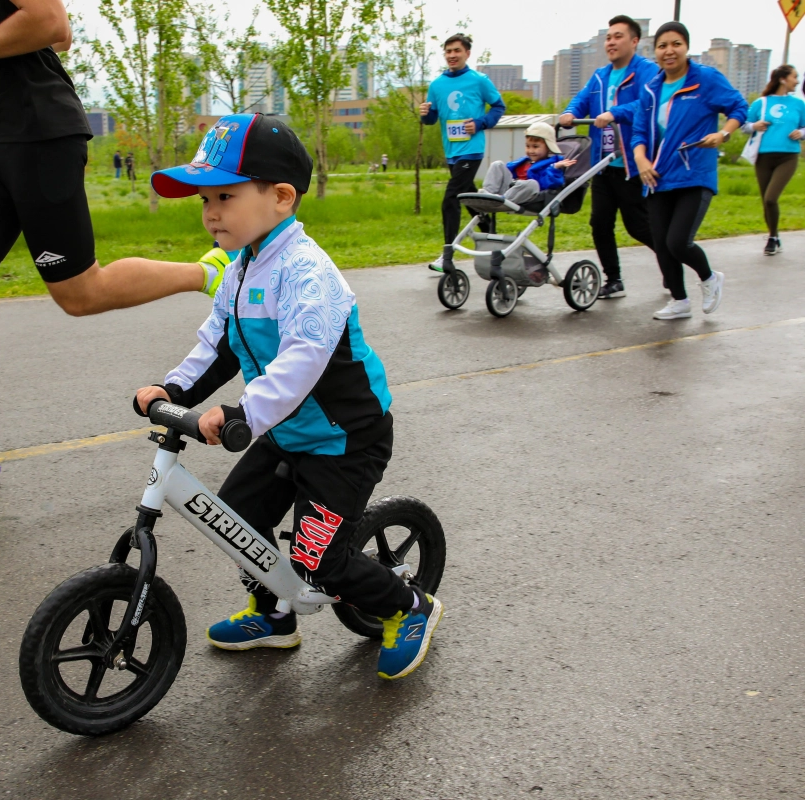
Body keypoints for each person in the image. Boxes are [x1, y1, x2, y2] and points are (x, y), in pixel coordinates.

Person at [135, 113, 442, 681]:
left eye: (224, 196)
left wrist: (240, 415)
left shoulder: (307, 272)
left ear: (280, 197)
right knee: (236, 521)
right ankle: (275, 614)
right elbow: (220, 342)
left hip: (343, 440)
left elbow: (302, 359)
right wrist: (174, 387)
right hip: (286, 431)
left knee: (318, 559)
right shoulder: (242, 266)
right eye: (204, 200)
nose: (210, 213)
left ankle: (410, 606)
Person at [0, 0, 234, 490]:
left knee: (79, 293)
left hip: (40, 131)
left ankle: (207, 272)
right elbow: (56, 40)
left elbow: (52, 23)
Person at [631, 21, 746, 320]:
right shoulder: (651, 88)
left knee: (678, 241)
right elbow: (639, 132)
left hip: (694, 174)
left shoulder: (705, 79)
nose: (669, 51)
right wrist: (641, 160)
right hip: (658, 176)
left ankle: (709, 279)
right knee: (661, 243)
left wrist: (724, 133)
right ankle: (680, 301)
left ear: (686, 47)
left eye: (676, 44)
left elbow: (738, 106)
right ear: (654, 51)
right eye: (662, 45)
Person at [559, 14, 660, 300]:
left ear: (635, 41)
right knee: (600, 223)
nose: (611, 42)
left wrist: (616, 113)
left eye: (618, 36)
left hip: (631, 163)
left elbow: (647, 103)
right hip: (603, 165)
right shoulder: (600, 76)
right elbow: (582, 99)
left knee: (638, 226)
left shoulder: (647, 72)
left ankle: (670, 262)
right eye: (608, 37)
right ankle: (613, 280)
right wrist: (570, 113)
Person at [421, 33, 505, 271]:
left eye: (457, 51)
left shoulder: (479, 80)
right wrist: (425, 114)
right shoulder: (437, 85)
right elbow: (432, 118)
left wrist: (480, 123)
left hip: (472, 150)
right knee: (471, 201)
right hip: (452, 151)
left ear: (467, 53)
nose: (452, 56)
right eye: (448, 51)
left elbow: (499, 106)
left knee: (451, 198)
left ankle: (447, 255)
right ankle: (495, 244)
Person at [742, 65, 805, 256]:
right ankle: (774, 236)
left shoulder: (799, 104)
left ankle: (772, 237)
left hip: (788, 156)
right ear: (783, 79)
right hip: (763, 157)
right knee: (766, 202)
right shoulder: (760, 103)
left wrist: (801, 132)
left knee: (771, 198)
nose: (797, 81)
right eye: (795, 77)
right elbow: (744, 126)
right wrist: (755, 125)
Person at [481, 121, 577, 204]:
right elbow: (509, 173)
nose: (531, 150)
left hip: (530, 194)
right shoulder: (525, 161)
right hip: (512, 188)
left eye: (535, 147)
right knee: (497, 164)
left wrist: (554, 168)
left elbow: (551, 184)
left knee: (532, 183)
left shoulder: (550, 165)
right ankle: (488, 194)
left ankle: (502, 200)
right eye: (528, 146)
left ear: (548, 147)